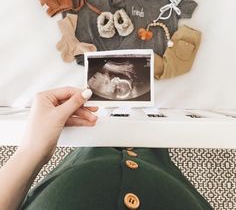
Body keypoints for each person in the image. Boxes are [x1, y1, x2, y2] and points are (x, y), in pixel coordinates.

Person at [0, 87, 213, 210]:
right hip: (161, 178)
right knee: (151, 148)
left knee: (92, 147)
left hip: (85, 163)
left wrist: (32, 150)